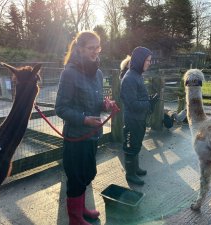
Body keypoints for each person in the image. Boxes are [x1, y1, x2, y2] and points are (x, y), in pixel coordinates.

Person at [55, 31, 118, 225]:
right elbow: (61, 108)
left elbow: (95, 101)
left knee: (87, 173)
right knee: (75, 177)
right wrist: (83, 120)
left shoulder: (97, 73)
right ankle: (75, 218)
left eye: (98, 47)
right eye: (91, 48)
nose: (96, 52)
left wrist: (104, 105)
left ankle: (81, 209)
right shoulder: (69, 73)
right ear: (80, 49)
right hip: (76, 136)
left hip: (92, 135)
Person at [120, 46, 159, 185]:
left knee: (136, 144)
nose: (149, 63)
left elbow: (138, 97)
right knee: (131, 146)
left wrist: (149, 100)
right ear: (140, 60)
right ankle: (130, 174)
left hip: (139, 119)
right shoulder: (130, 78)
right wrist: (149, 104)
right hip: (132, 120)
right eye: (148, 60)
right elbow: (131, 103)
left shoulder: (137, 75)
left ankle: (135, 168)